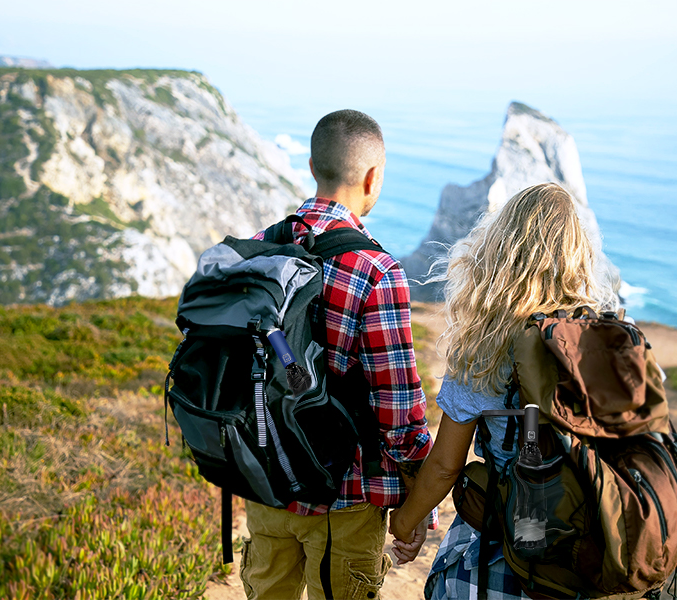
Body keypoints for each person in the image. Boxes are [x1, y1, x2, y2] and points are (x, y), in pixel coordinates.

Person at [386, 182, 624, 599]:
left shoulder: (484, 348)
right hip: (594, 542)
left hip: (505, 544)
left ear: (502, 251)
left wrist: (405, 524)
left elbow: (445, 467)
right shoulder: (610, 340)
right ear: (579, 255)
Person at [240, 109, 436, 600]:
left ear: (312, 166)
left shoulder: (258, 249)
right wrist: (419, 500)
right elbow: (398, 410)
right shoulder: (376, 271)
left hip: (268, 485)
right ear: (373, 178)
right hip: (343, 498)